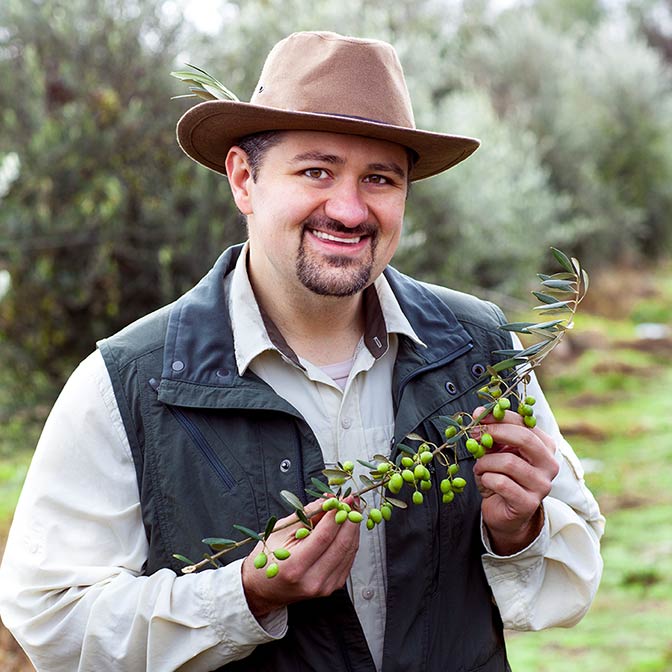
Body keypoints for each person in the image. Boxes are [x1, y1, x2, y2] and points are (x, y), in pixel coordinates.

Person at [0, 31, 604, 672]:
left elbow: (573, 576)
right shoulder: (127, 383)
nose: (348, 209)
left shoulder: (480, 349)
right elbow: (51, 619)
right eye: (316, 171)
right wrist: (243, 595)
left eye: (380, 179)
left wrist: (520, 531)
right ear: (243, 179)